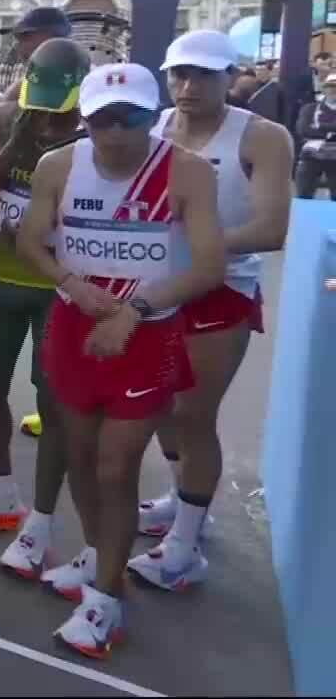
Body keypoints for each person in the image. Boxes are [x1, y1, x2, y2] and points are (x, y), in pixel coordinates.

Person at [15, 61, 224, 659]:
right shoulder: (60, 165)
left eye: (130, 117)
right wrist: (71, 285)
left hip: (149, 332)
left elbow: (209, 264)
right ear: (85, 119)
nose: (115, 131)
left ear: (152, 115)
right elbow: (30, 240)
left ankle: (106, 602)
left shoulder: (186, 171)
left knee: (116, 466)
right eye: (102, 119)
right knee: (80, 457)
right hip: (75, 326)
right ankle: (98, 557)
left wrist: (134, 311)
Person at [129, 30, 292, 592]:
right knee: (158, 406)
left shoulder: (262, 136)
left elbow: (271, 228)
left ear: (231, 76)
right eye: (179, 73)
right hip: (159, 285)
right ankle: (183, 501)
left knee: (193, 414)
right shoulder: (154, 127)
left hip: (222, 289)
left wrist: (200, 251)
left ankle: (186, 545)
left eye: (203, 74)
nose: (188, 86)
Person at [0, 39, 89, 571]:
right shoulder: (10, 119)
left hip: (59, 287)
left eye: (57, 111)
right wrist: (15, 148)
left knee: (52, 404)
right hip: (2, 278)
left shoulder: (97, 131)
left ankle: (41, 522)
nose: (46, 119)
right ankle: (1, 490)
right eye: (40, 107)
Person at [0, 8, 74, 97]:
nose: (17, 46)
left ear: (55, 38)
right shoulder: (27, 82)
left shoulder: (81, 80)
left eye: (26, 36)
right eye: (17, 39)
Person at [296, 72, 336, 198]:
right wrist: (331, 132)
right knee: (303, 192)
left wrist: (319, 126)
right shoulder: (310, 108)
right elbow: (302, 130)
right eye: (330, 86)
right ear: (324, 89)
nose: (333, 90)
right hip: (311, 155)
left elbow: (310, 129)